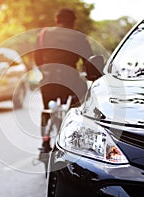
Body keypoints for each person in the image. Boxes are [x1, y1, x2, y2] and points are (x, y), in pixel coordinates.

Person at [34, 8, 94, 155]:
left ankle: (45, 141)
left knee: (47, 110)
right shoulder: (78, 37)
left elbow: (37, 58)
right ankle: (77, 138)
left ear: (57, 20)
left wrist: (45, 71)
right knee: (80, 107)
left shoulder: (43, 34)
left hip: (49, 81)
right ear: (73, 22)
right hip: (71, 81)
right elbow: (89, 60)